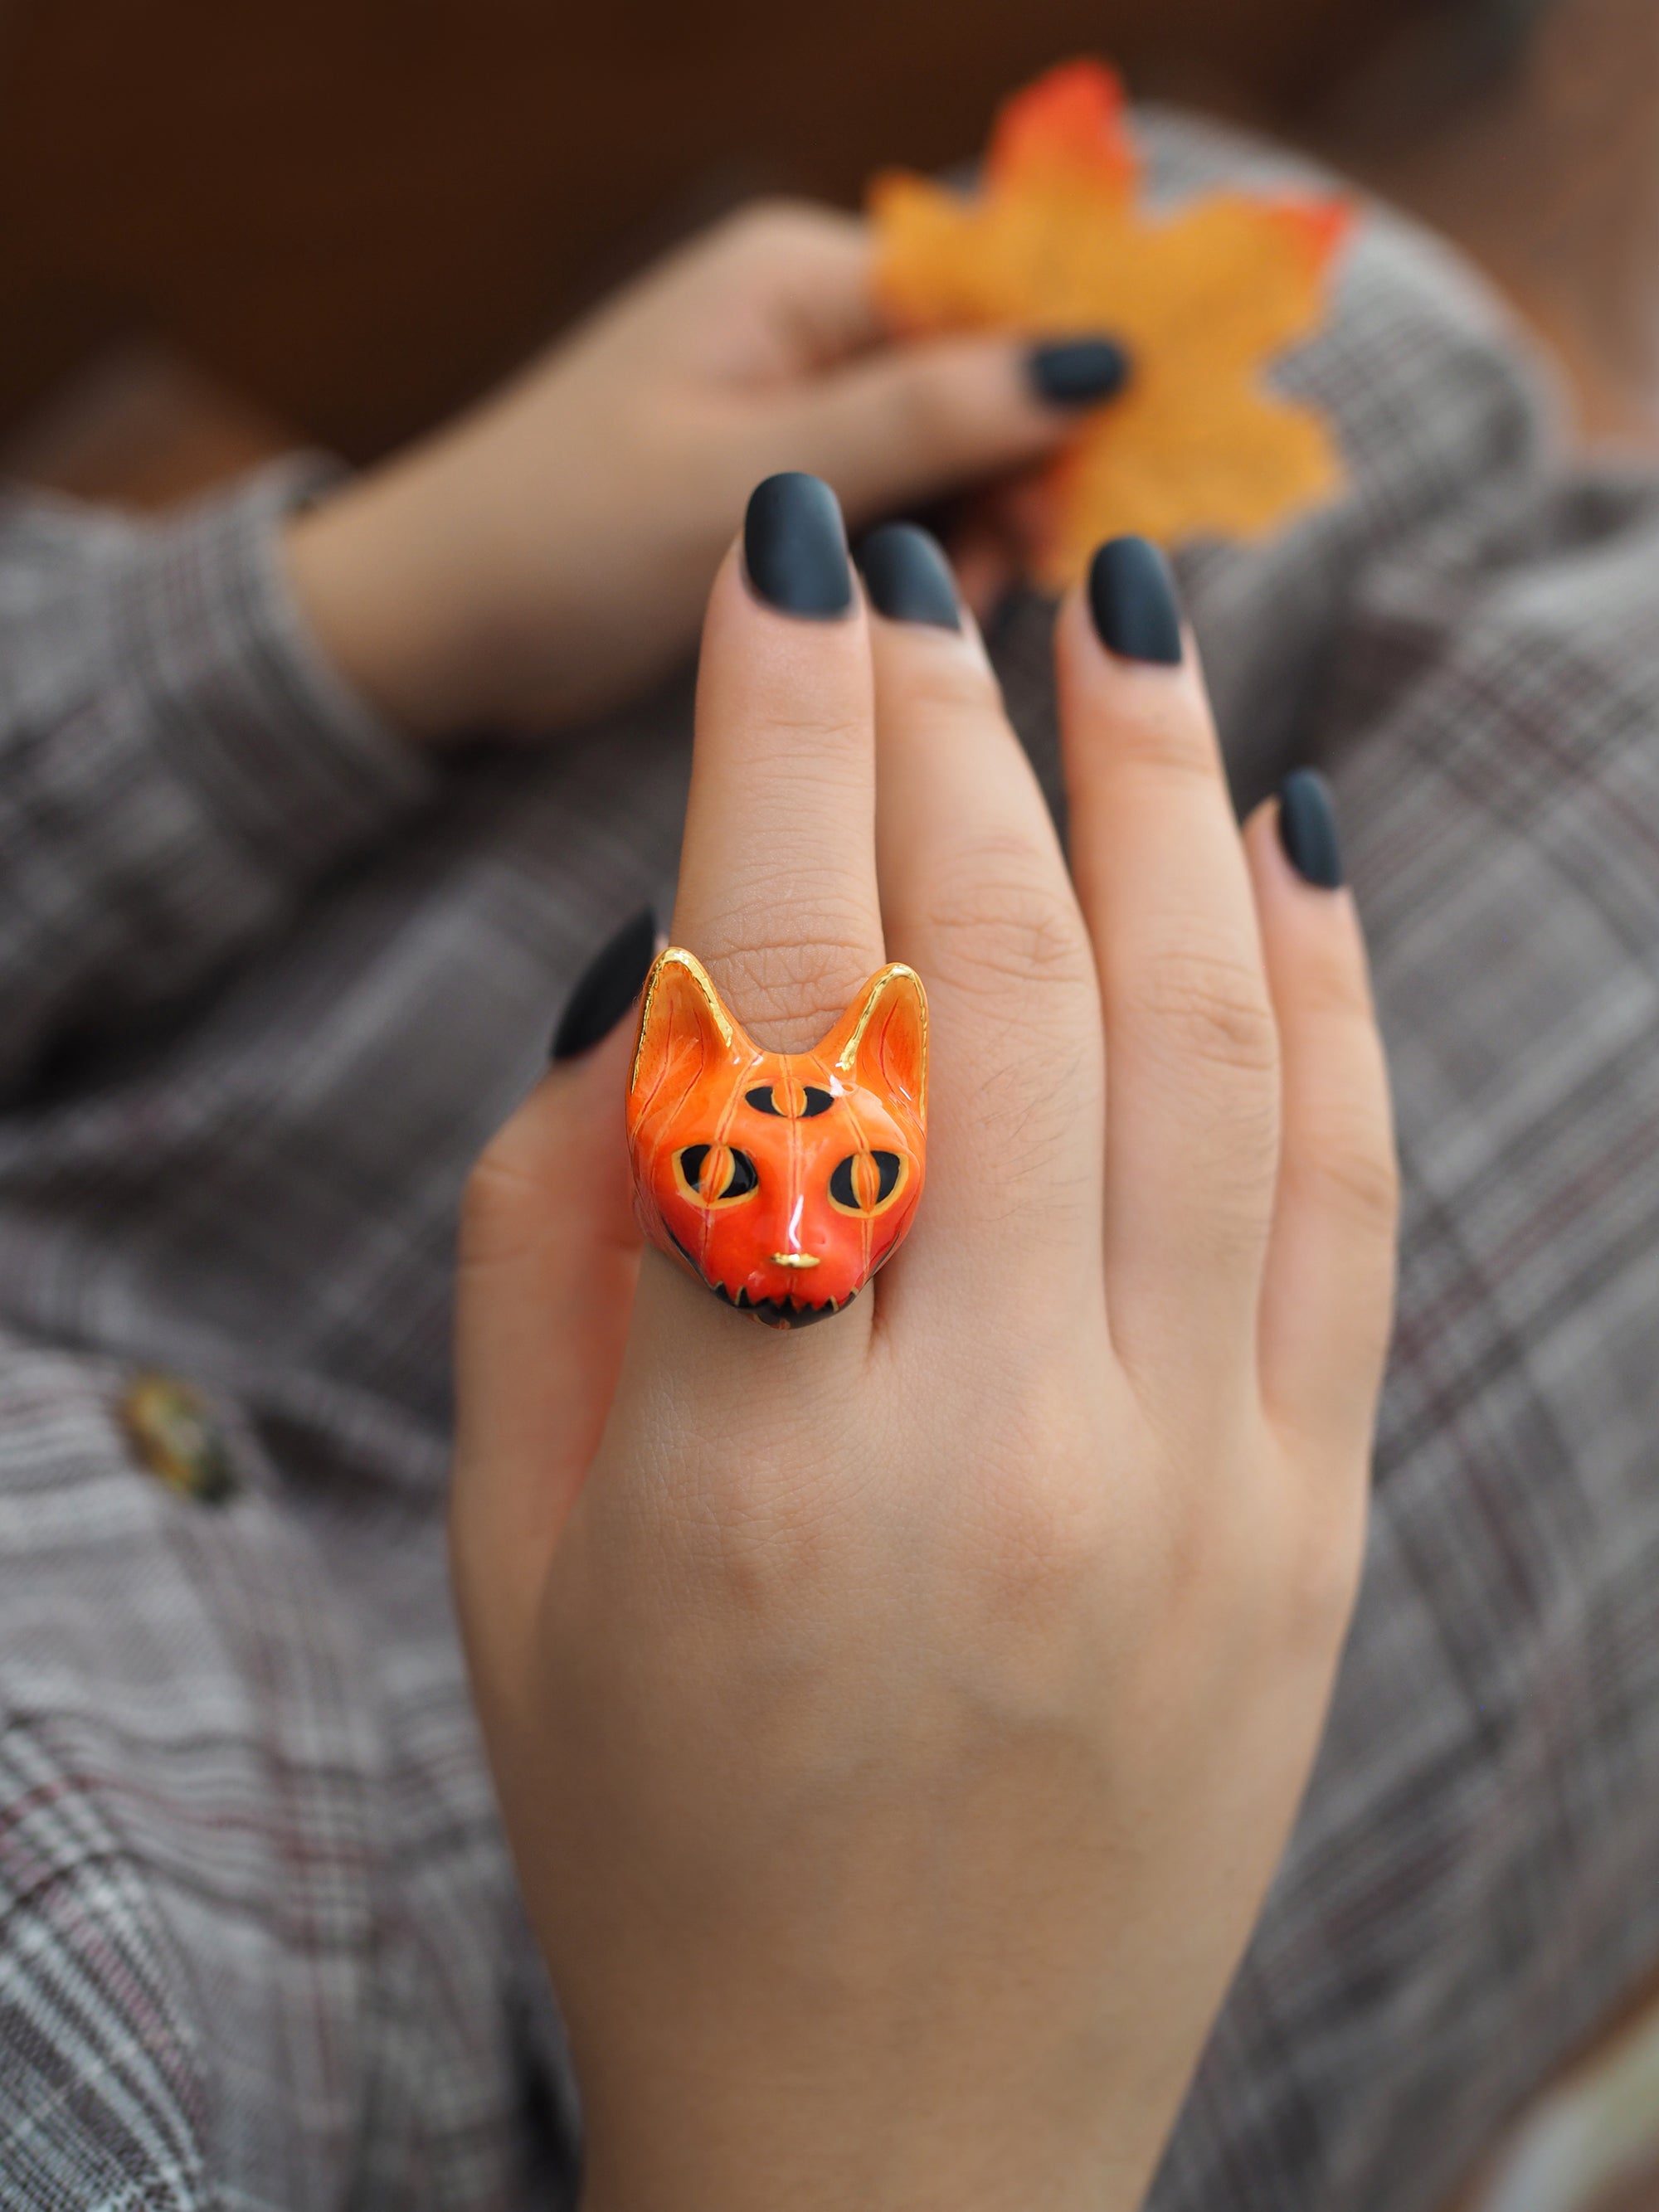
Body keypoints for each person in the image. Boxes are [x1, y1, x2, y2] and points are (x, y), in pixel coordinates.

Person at [2, 0, 1657, 2199]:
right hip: (688, 2022)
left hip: (183, 1119)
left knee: (1334, 320)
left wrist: (359, 613)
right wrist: (892, 2135)